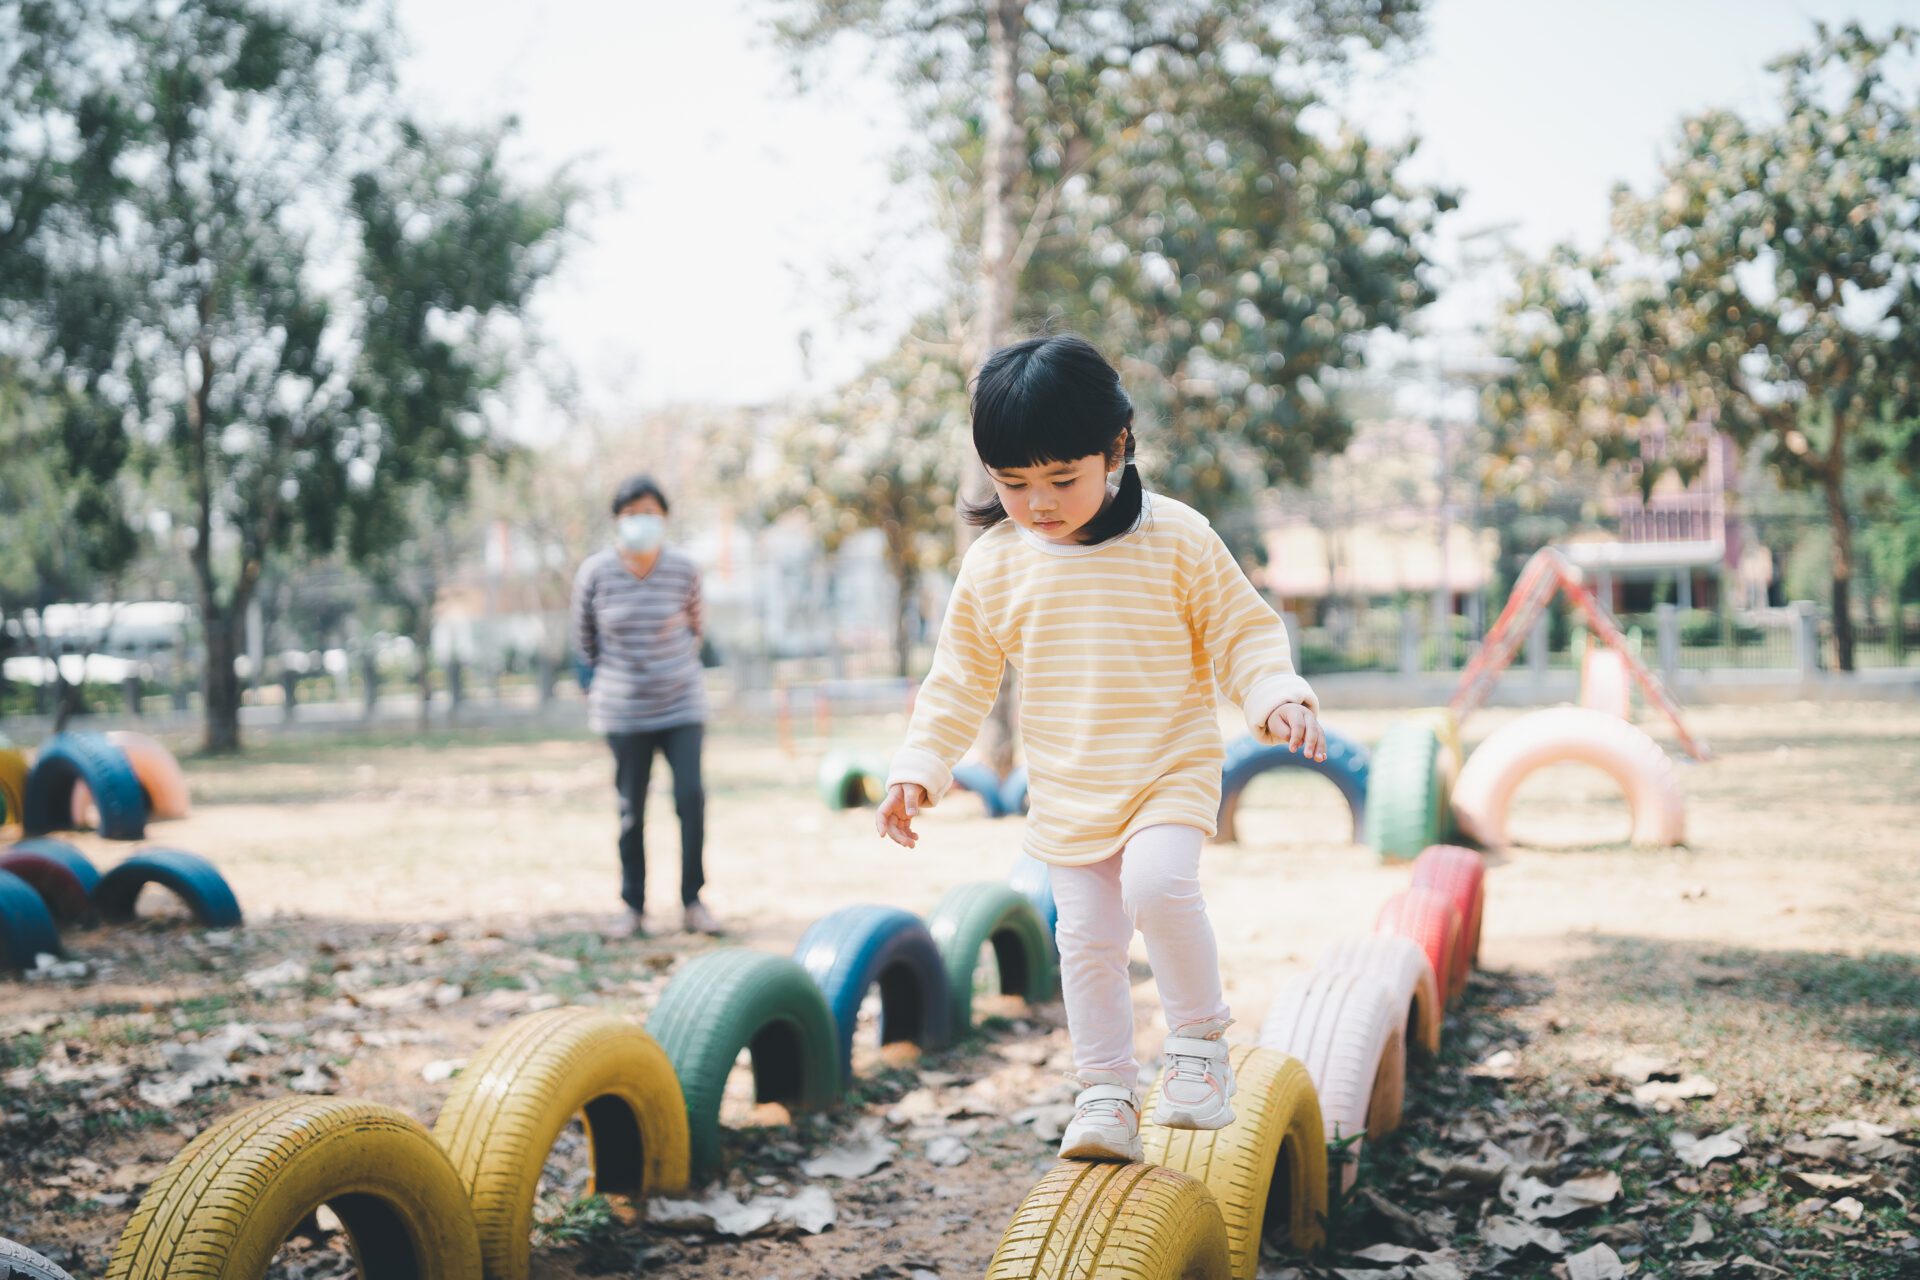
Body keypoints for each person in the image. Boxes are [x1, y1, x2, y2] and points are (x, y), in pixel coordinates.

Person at [875, 334, 1327, 1162]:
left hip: (1167, 767)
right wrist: (920, 767)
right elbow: (958, 681)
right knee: (1083, 939)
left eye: (1060, 479)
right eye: (1014, 484)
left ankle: (1197, 1048)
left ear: (1116, 447)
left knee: (1157, 884)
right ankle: (1107, 1092)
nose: (1039, 503)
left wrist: (1276, 696)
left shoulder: (1177, 538)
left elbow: (1243, 633)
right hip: (1068, 788)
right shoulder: (996, 565)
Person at [572, 475, 723, 937]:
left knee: (690, 799)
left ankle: (693, 902)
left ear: (665, 518)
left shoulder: (684, 569)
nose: (642, 521)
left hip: (681, 705)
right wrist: (604, 689)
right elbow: (584, 642)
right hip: (622, 711)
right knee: (630, 809)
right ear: (618, 520)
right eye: (632, 513)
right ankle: (632, 907)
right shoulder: (595, 573)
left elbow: (696, 630)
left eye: (651, 513)